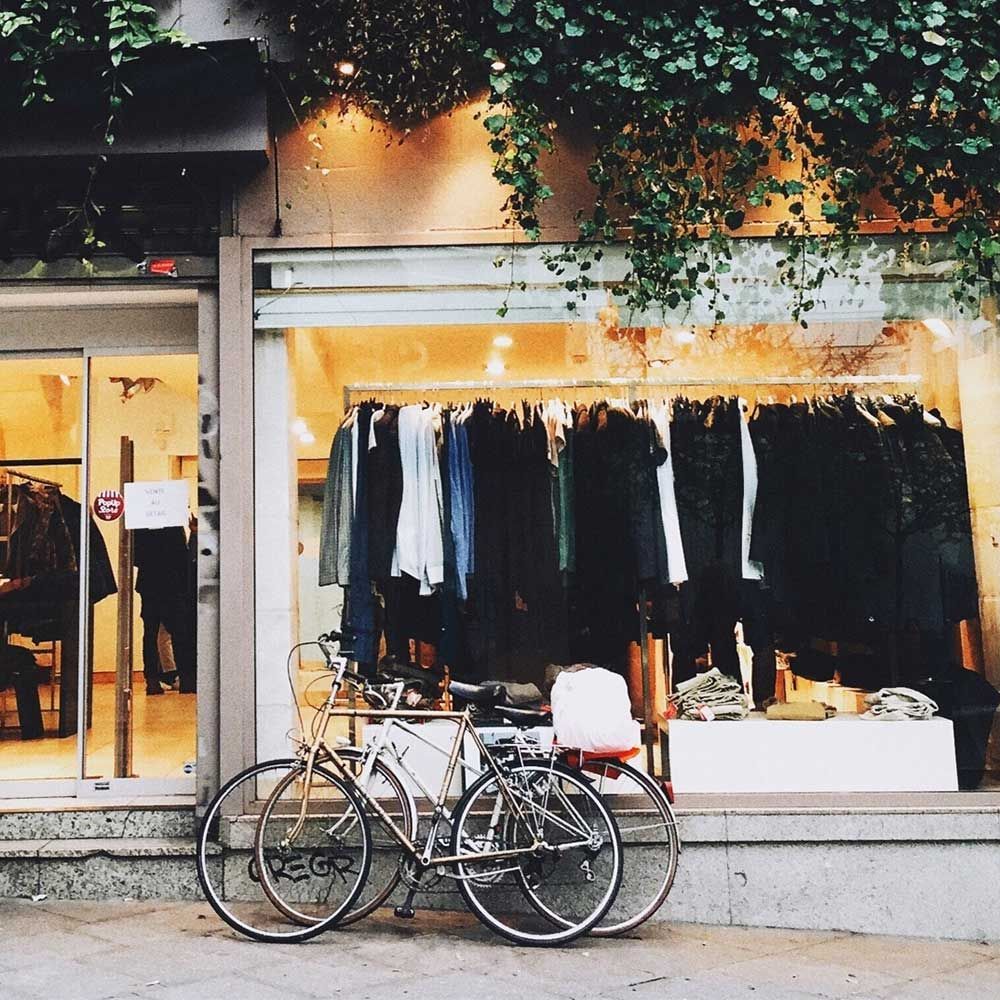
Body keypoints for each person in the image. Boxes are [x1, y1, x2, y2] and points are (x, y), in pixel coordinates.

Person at [134, 525, 195, 694]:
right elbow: (183, 555)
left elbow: (135, 556)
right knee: (179, 633)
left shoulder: (143, 523)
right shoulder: (173, 523)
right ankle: (186, 679)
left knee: (151, 633)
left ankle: (152, 680)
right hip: (173, 583)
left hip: (150, 582)